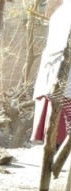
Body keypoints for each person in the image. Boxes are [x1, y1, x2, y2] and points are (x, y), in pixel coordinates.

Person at [31, 0, 71, 146]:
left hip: (53, 78)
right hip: (62, 78)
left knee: (55, 142)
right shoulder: (64, 13)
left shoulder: (60, 12)